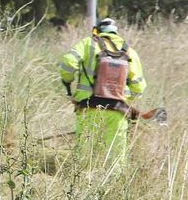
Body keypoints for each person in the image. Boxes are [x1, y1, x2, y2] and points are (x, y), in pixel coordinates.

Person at [58, 17, 147, 167]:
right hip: (117, 111)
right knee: (116, 155)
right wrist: (126, 99)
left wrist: (67, 81)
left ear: (97, 31)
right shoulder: (129, 51)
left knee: (85, 153)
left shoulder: (89, 43)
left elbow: (68, 62)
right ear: (116, 33)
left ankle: (84, 178)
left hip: (88, 107)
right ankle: (114, 180)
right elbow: (139, 88)